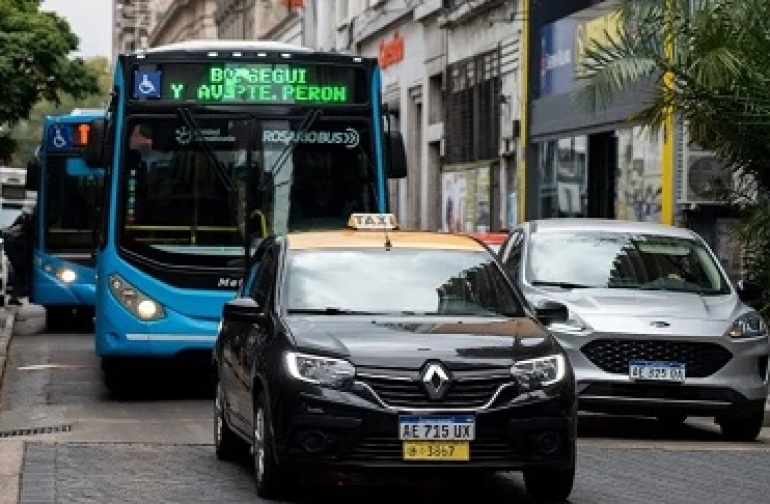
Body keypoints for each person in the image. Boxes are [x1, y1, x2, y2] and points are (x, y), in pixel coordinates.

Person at [3, 203, 36, 305]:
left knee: (20, 273)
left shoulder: (25, 220)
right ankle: (17, 295)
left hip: (18, 250)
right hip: (16, 251)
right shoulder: (23, 221)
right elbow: (15, 232)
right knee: (22, 270)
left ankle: (16, 295)